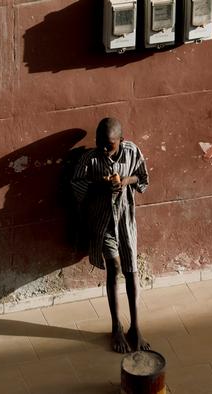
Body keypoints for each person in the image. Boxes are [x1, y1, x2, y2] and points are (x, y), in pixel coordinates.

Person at [71, 117, 150, 353]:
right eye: (100, 143)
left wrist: (126, 181)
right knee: (114, 268)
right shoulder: (90, 159)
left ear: (121, 141)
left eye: (110, 145)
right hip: (103, 222)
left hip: (126, 220)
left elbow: (143, 179)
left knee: (131, 270)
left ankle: (135, 326)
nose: (104, 149)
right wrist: (99, 185)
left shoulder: (132, 152)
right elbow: (76, 187)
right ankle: (116, 326)